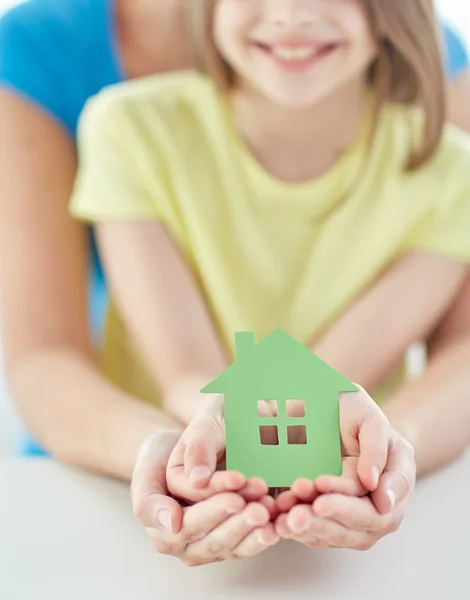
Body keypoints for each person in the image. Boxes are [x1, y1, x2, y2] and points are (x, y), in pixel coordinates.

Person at [68, 0, 470, 564]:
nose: (289, 15)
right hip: (126, 513)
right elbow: (183, 370)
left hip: (341, 534)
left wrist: (387, 453)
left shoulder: (451, 177)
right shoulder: (130, 131)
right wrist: (207, 434)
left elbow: (323, 380)